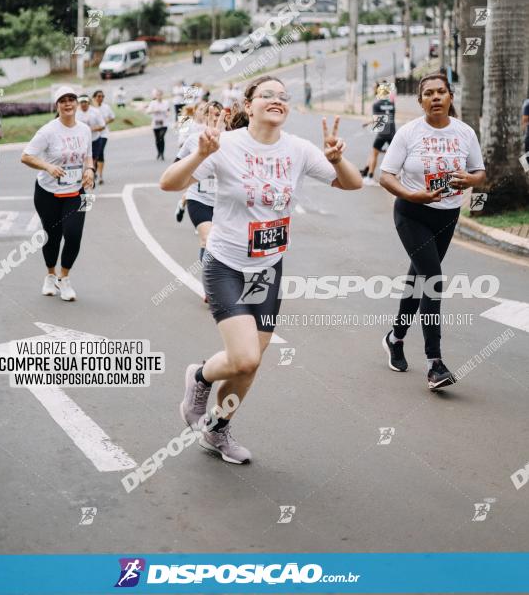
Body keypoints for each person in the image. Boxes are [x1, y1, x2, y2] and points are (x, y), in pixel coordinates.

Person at [160, 75, 362, 463]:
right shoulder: (225, 145)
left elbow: (350, 184)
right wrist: (201, 155)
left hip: (267, 268)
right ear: (247, 106)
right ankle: (200, 377)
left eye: (283, 96)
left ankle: (218, 431)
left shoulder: (299, 150)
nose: (276, 100)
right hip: (226, 265)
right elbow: (169, 184)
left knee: (249, 365)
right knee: (246, 357)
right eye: (266, 95)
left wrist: (337, 160)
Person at [379, 72, 486, 390]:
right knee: (433, 281)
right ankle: (434, 363)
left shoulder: (465, 132)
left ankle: (395, 338)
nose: (436, 97)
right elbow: (386, 175)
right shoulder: (409, 133)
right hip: (412, 213)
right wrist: (412, 195)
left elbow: (479, 171)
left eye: (441, 92)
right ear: (421, 100)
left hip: (447, 216)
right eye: (429, 93)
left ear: (450, 97)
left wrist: (470, 180)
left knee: (419, 279)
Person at [21, 86, 95, 302]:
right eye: (63, 100)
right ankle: (50, 275)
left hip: (76, 192)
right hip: (47, 193)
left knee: (73, 235)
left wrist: (89, 170)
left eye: (71, 99)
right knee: (52, 237)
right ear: (57, 105)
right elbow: (25, 156)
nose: (68, 103)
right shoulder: (48, 131)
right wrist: (47, 167)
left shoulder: (85, 130)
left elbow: (88, 156)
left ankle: (64, 278)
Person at [176, 101, 223, 262]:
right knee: (207, 239)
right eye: (210, 114)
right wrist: (197, 158)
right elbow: (175, 167)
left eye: (217, 114)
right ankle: (211, 281)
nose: (214, 118)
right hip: (199, 198)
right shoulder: (193, 139)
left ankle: (217, 279)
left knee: (221, 244)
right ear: (204, 116)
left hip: (224, 202)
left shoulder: (232, 140)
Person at [360, 81, 396, 185]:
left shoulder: (376, 104)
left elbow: (378, 121)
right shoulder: (392, 104)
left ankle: (370, 177)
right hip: (392, 132)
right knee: (396, 155)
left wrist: (367, 123)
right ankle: (399, 176)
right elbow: (389, 117)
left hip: (382, 133)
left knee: (374, 154)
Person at [92, 90, 115, 184]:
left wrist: (105, 122)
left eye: (102, 96)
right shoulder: (91, 108)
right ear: (94, 97)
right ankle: (94, 172)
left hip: (103, 134)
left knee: (100, 152)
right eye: (98, 96)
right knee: (94, 155)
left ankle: (100, 175)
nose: (100, 98)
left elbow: (112, 117)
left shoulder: (106, 107)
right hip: (92, 135)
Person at [76, 94, 105, 165]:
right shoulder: (76, 113)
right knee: (83, 159)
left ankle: (92, 171)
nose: (83, 104)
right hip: (81, 141)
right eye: (81, 102)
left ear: (88, 102)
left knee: (94, 158)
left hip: (95, 139)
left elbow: (102, 126)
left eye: (85, 102)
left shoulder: (95, 111)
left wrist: (90, 129)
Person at [146, 90, 171, 160]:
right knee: (157, 139)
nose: (159, 96)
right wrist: (154, 111)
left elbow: (168, 111)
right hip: (156, 123)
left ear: (162, 95)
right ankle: (159, 152)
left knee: (161, 137)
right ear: (156, 96)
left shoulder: (166, 103)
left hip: (164, 123)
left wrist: (168, 114)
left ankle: (162, 153)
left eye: (160, 95)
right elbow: (148, 111)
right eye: (157, 95)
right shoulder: (153, 103)